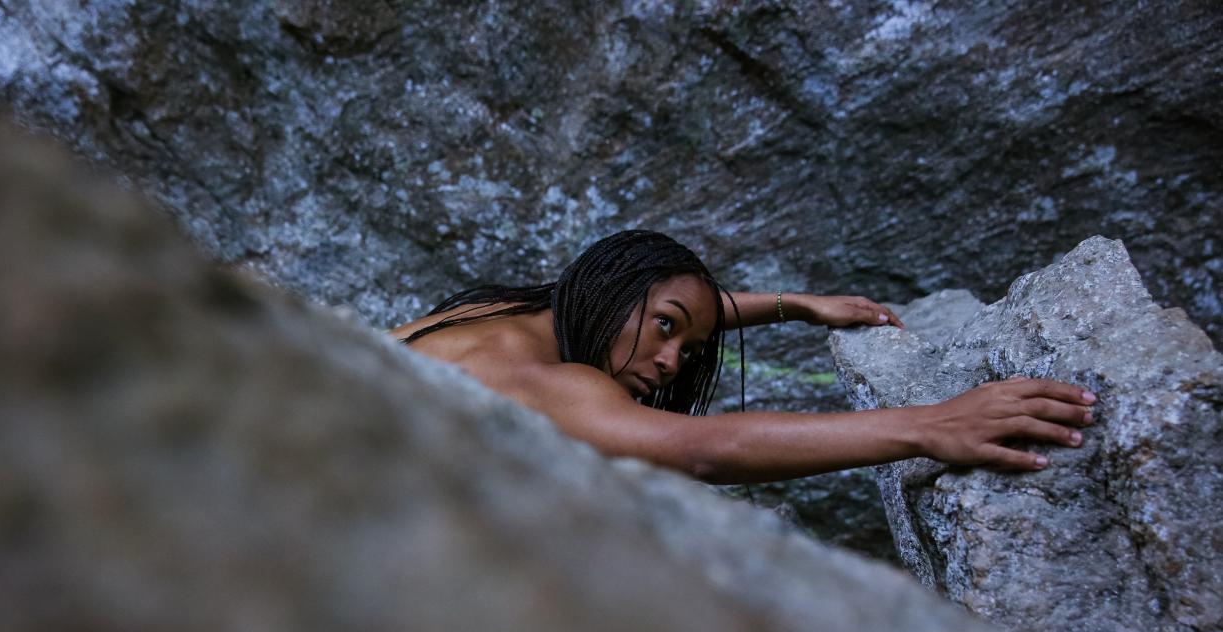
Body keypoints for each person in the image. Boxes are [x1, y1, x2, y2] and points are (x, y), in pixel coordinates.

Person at [390, 229, 1095, 484]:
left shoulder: (496, 314)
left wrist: (796, 304)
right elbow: (706, 450)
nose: (672, 363)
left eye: (688, 346)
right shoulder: (551, 383)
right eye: (667, 330)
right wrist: (929, 425)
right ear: (608, 292)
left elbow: (674, 308)